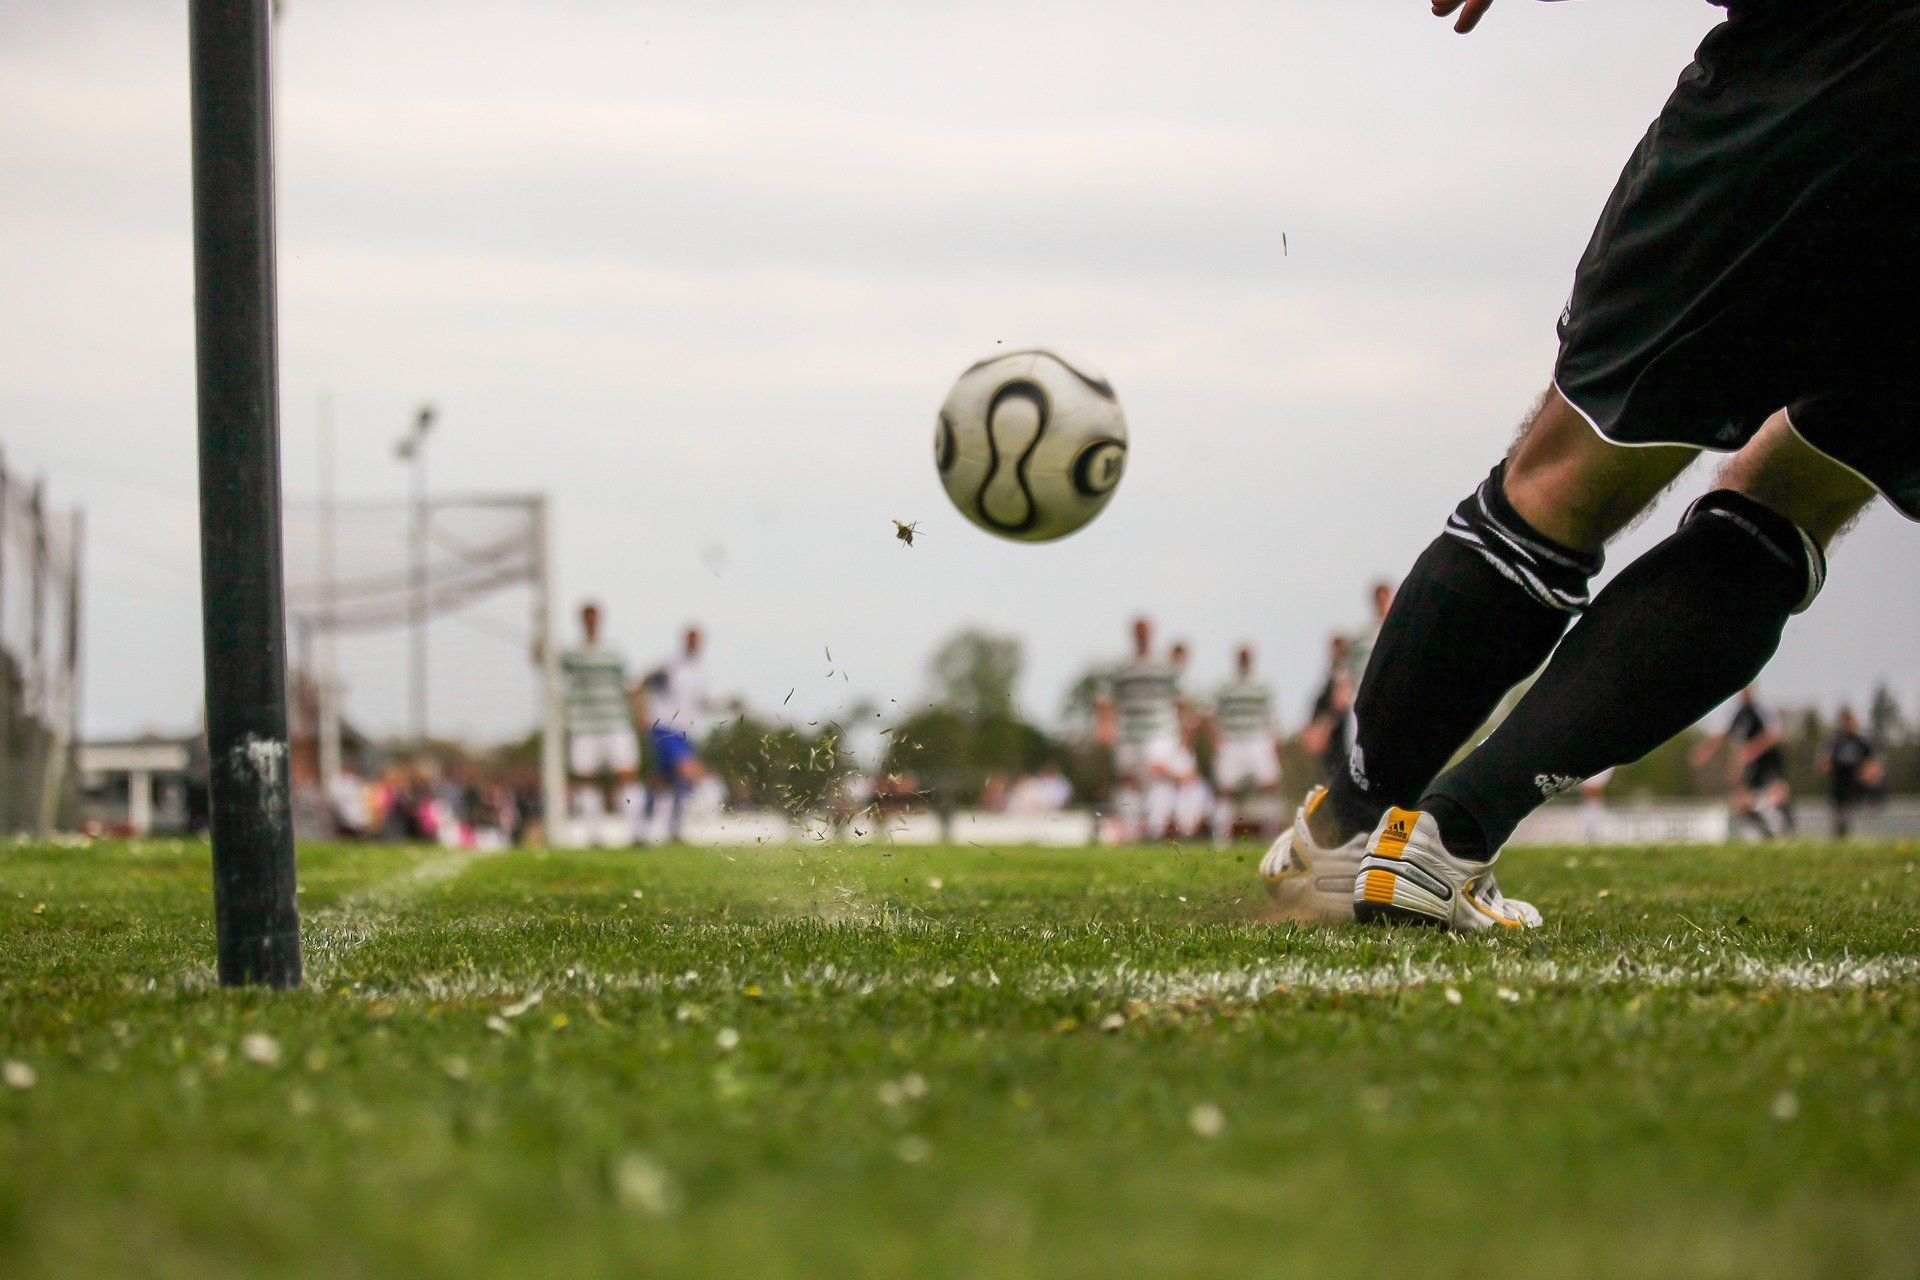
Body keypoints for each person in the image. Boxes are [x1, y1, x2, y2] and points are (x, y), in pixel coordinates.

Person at [1266, 0, 1917, 928]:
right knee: (1792, 503)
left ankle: (1349, 831)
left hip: (1824, 61)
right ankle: (1449, 839)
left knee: (1562, 479)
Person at [560, 602, 645, 845]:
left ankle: (636, 832)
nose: (591, 622)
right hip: (583, 726)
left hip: (616, 723)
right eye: (587, 618)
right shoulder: (571, 654)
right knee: (586, 779)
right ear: (581, 621)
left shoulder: (614, 652)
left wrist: (639, 712)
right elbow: (544, 664)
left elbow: (628, 686)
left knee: (627, 775)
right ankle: (594, 835)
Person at [1093, 617, 1183, 842]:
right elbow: (1106, 699)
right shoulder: (1122, 667)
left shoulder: (1164, 666)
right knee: (1129, 780)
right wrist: (1105, 726)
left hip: (1159, 731)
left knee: (1158, 775)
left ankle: (1155, 830)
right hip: (1130, 733)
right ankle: (1131, 833)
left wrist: (1182, 732)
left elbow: (1179, 700)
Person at [637, 624, 712, 844]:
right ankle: (672, 828)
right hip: (665, 727)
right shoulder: (671, 665)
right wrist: (640, 713)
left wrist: (725, 706)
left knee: (663, 781)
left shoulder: (699, 670)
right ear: (685, 640)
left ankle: (648, 829)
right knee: (688, 771)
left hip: (685, 731)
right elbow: (642, 683)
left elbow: (701, 703)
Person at [1692, 686, 1793, 840]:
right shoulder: (1739, 713)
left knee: (1778, 795)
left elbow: (1775, 733)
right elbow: (1725, 735)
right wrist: (1706, 750)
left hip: (1770, 762)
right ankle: (1766, 834)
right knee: (1740, 802)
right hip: (1753, 767)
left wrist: (1752, 750)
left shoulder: (1761, 708)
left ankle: (1786, 831)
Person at [1210, 644, 1284, 843]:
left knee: (1270, 786)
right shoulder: (1225, 687)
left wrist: (1274, 743)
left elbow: (1271, 717)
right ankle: (1220, 839)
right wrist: (1216, 742)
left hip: (1258, 740)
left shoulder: (1262, 686)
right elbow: (1216, 716)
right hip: (1232, 741)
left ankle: (1272, 836)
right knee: (1226, 791)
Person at [1821, 706, 1883, 838]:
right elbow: (1824, 763)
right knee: (1840, 810)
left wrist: (1869, 775)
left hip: (1857, 781)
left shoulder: (1862, 741)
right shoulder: (1835, 741)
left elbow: (1874, 763)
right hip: (1839, 781)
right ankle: (1842, 834)